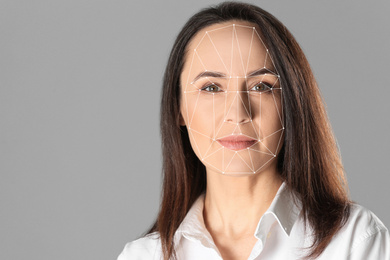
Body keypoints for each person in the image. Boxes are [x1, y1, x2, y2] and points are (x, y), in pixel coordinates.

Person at [118, 2, 389, 259]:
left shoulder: (355, 241)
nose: (237, 114)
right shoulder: (143, 256)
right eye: (211, 87)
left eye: (261, 86)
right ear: (178, 109)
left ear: (292, 103)